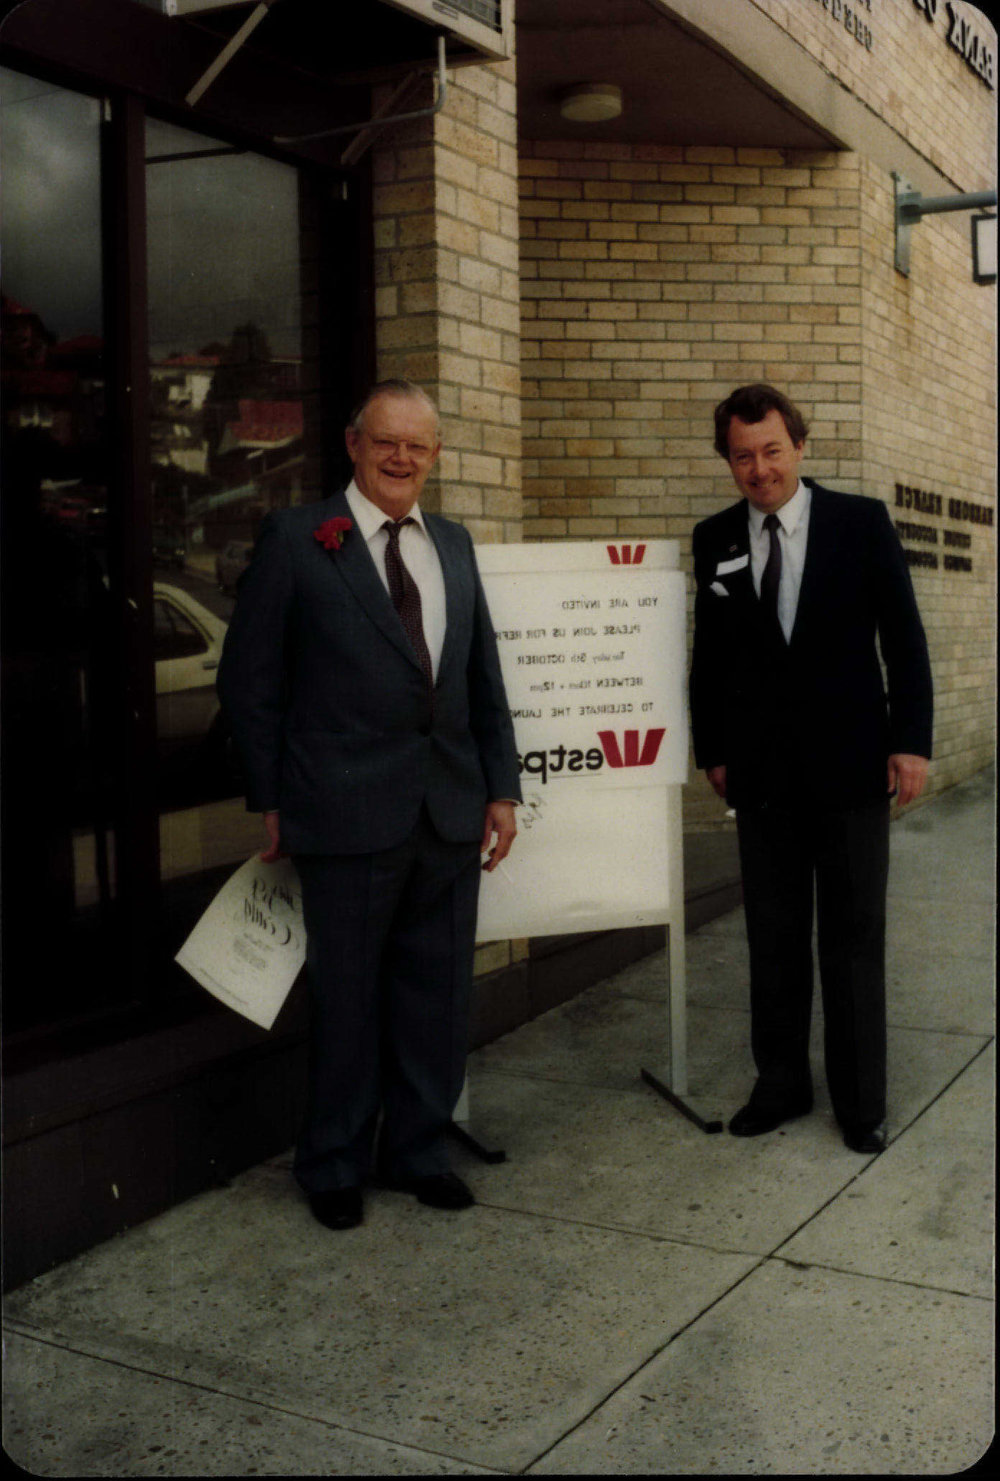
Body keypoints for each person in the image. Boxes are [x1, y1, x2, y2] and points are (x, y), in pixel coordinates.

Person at [218, 379, 521, 1229]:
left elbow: (481, 675)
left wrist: (501, 786)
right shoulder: (296, 538)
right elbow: (251, 682)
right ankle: (334, 1161)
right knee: (347, 1002)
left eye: (417, 445)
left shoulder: (454, 544)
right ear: (354, 444)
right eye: (385, 440)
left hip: (449, 811)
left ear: (435, 456)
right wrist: (271, 798)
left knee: (437, 998)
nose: (400, 457)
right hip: (342, 814)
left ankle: (417, 1149)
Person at [689, 383, 933, 1154]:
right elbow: (711, 657)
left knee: (853, 937)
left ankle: (860, 1102)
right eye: (741, 456)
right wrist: (714, 750)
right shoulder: (716, 537)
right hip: (761, 776)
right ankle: (782, 1082)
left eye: (770, 450)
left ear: (798, 444)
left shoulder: (860, 524)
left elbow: (904, 637)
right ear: (727, 459)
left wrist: (912, 740)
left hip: (852, 764)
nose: (758, 469)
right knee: (775, 935)